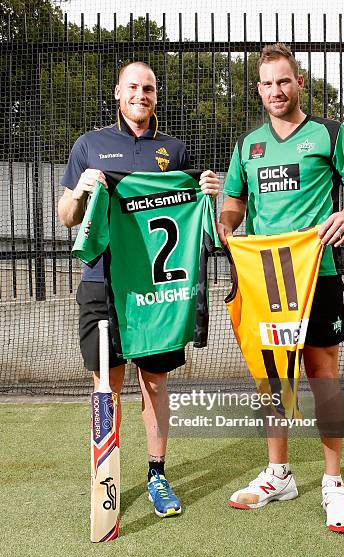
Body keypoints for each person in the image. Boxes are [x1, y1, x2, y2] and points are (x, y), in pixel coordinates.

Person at [217, 43, 344, 532]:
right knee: (272, 379)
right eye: (265, 84)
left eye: (283, 81)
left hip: (318, 274)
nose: (274, 91)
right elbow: (232, 202)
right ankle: (279, 474)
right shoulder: (248, 146)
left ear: (299, 82)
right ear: (259, 89)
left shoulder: (330, 134)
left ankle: (333, 483)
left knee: (321, 372)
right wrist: (228, 228)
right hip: (265, 280)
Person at [58, 61, 219, 518]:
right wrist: (80, 191)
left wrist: (210, 192)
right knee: (106, 383)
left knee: (155, 382)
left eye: (148, 89)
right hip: (102, 284)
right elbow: (66, 217)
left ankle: (157, 474)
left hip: (156, 293)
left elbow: (207, 226)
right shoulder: (89, 145)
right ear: (117, 92)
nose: (141, 95)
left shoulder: (175, 151)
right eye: (133, 87)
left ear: (155, 96)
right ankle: (105, 474)